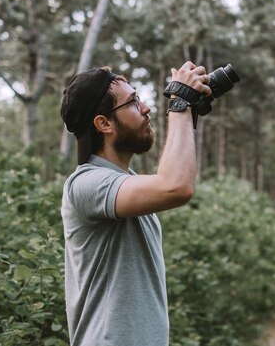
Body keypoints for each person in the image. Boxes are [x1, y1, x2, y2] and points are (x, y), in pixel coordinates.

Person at [59, 61, 211, 346]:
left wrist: (188, 109)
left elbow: (173, 180)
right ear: (104, 123)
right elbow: (175, 185)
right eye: (132, 102)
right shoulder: (85, 184)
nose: (146, 108)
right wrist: (179, 103)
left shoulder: (126, 182)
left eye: (139, 98)